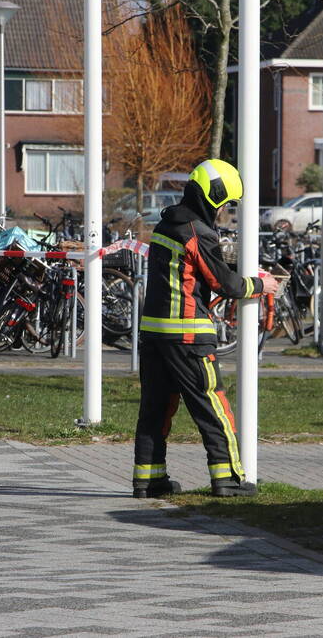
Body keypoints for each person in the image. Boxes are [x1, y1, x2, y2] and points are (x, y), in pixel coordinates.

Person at [133, 159, 278, 498]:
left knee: (155, 410)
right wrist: (260, 285)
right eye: (226, 204)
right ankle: (227, 478)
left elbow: (192, 272)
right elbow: (224, 283)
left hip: (154, 335)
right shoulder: (197, 231)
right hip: (188, 336)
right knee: (213, 406)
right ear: (215, 197)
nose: (225, 211)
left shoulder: (166, 225)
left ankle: (148, 479)